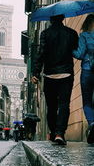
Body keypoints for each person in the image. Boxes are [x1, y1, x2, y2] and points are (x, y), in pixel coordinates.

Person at [32, 14, 78, 145]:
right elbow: (75, 50)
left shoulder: (45, 34)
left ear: (51, 20)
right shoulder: (71, 33)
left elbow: (41, 53)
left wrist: (36, 72)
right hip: (66, 74)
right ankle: (60, 133)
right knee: (64, 104)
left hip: (50, 75)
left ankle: (53, 132)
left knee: (51, 106)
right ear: (63, 18)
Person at [73, 14, 94, 144]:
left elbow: (79, 54)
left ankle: (92, 123)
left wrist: (71, 50)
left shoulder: (84, 35)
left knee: (87, 100)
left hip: (87, 71)